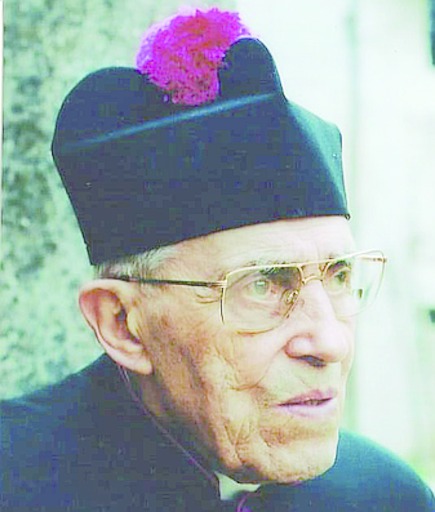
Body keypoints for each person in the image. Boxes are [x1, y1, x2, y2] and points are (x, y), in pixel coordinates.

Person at [1, 7, 434, 512]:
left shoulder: (383, 496)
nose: (331, 343)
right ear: (122, 324)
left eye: (339, 275)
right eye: (263, 285)